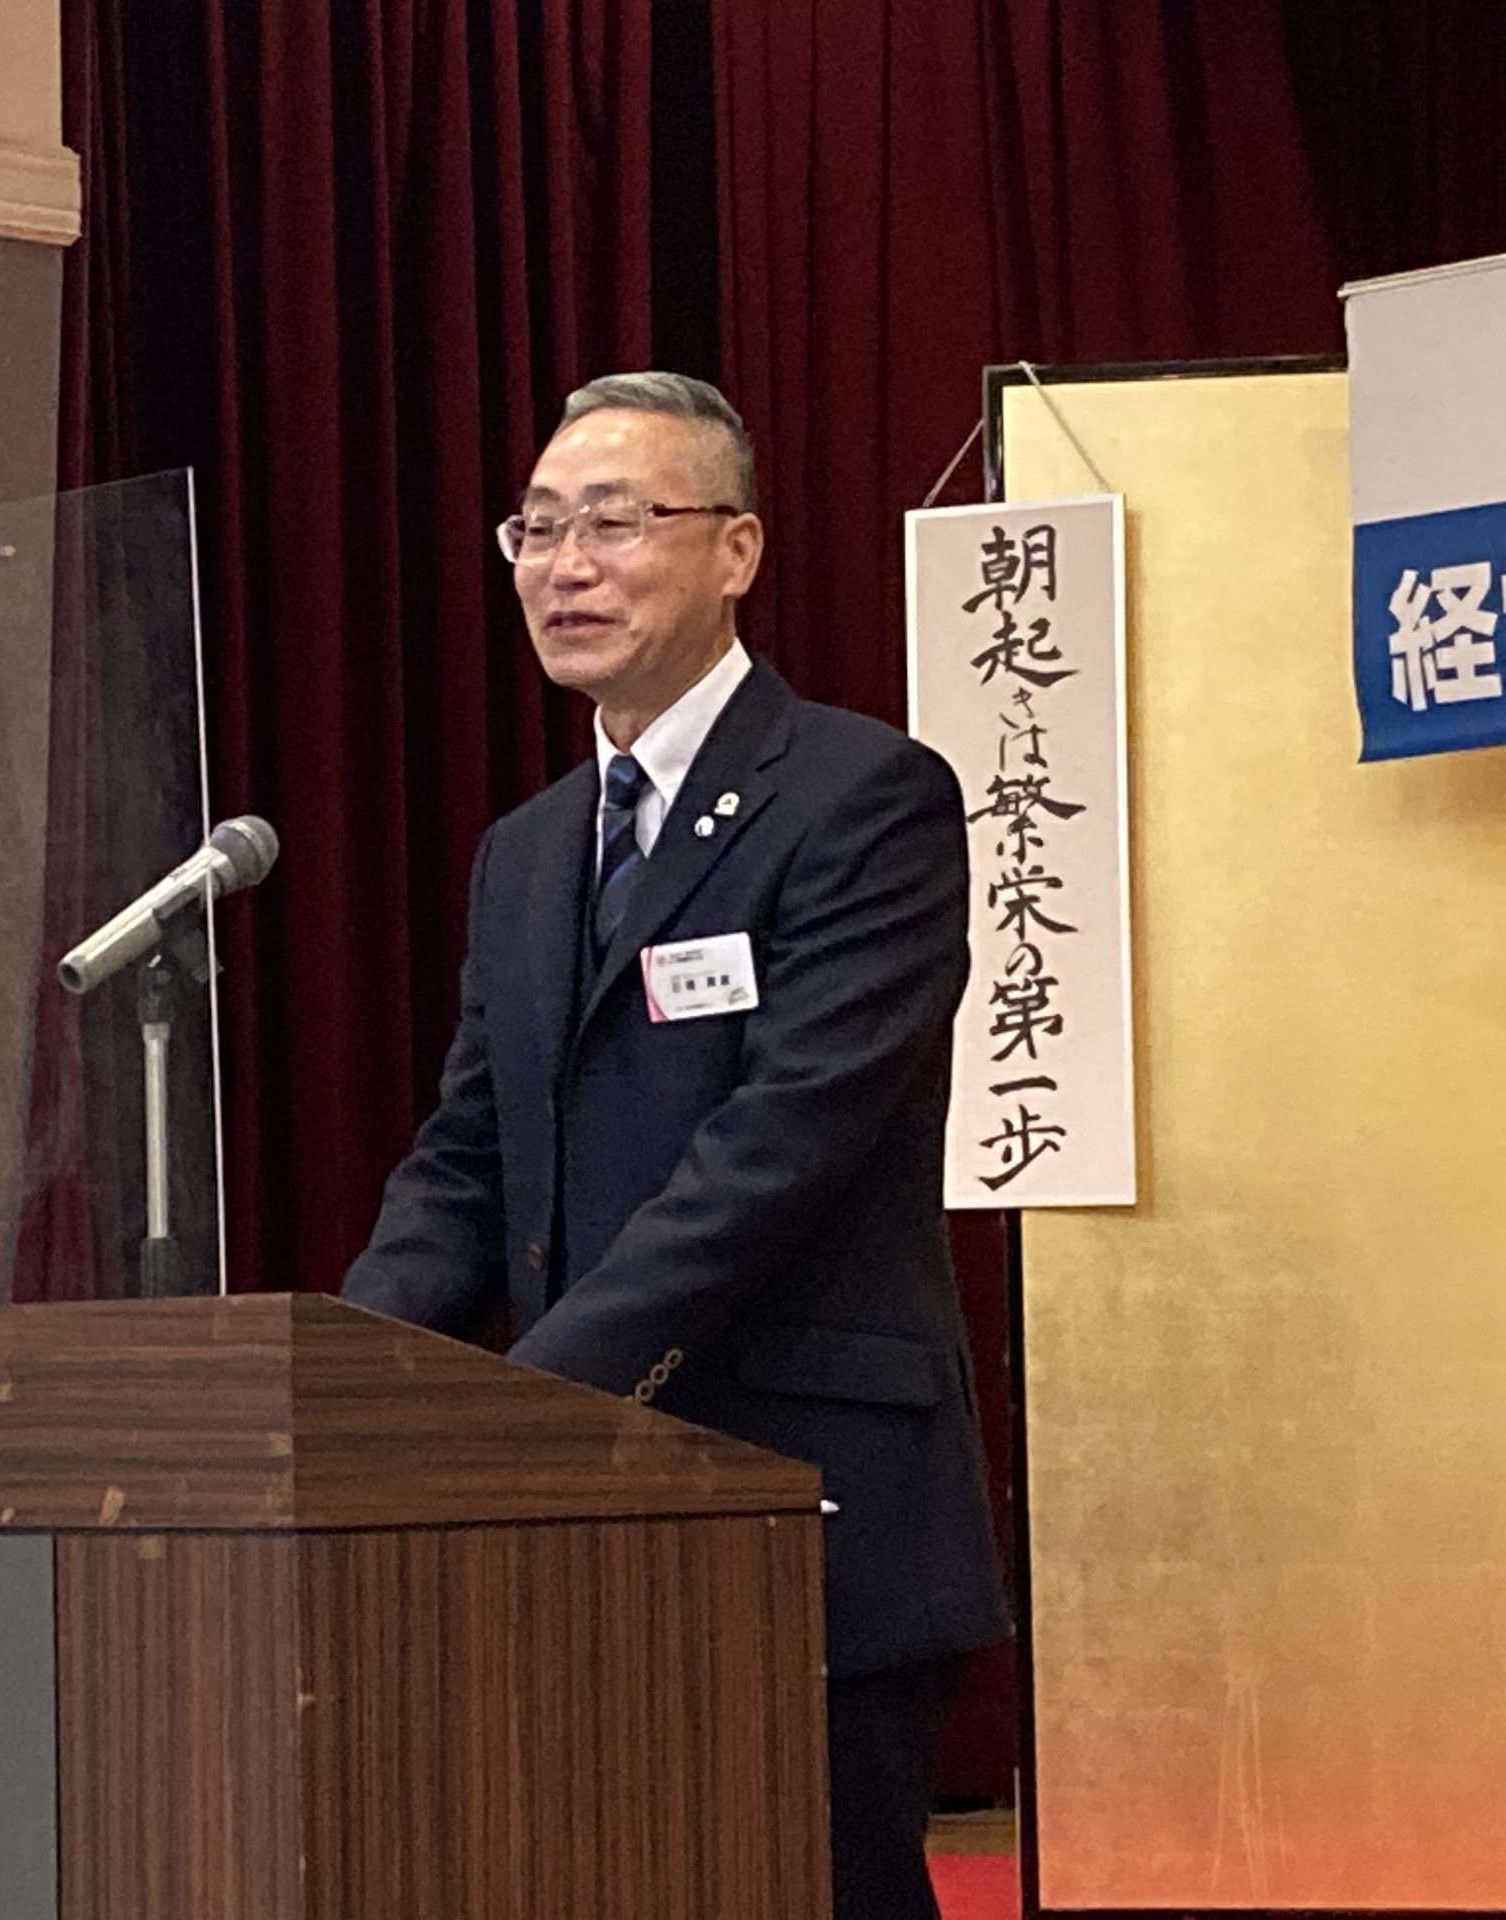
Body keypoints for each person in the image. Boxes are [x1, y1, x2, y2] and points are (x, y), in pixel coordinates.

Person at [340, 370, 1009, 1919]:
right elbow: (468, 1156)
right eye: (536, 529)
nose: (565, 566)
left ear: (737, 550)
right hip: (579, 1524)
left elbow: (779, 1150)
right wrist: (351, 1383)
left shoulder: (865, 798)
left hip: (802, 1499)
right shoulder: (526, 852)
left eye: (616, 523)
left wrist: (529, 1403)